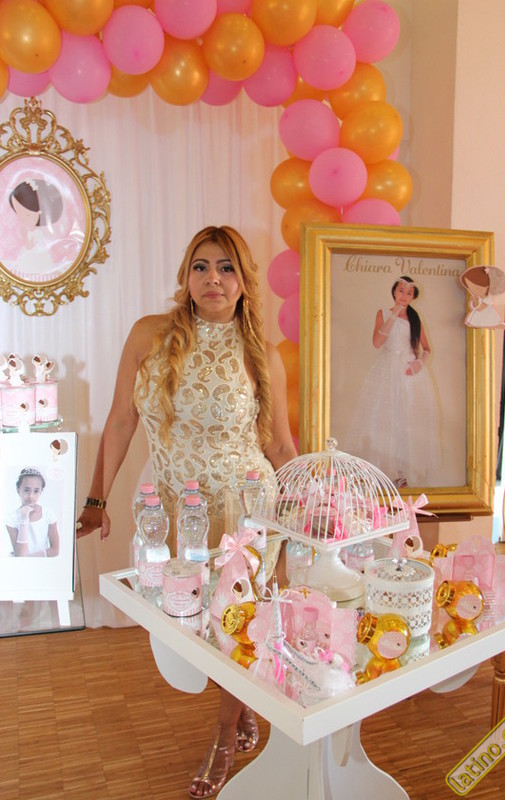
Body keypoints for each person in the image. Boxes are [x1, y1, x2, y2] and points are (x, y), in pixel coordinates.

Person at [76, 225, 297, 798]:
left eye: (226, 268)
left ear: (244, 281)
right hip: (174, 509)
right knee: (191, 621)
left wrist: (303, 504)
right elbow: (121, 419)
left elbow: (278, 444)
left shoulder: (261, 352)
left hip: (244, 511)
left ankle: (223, 737)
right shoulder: (148, 334)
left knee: (235, 622)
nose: (212, 279)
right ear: (186, 275)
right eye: (201, 266)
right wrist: (97, 499)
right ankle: (241, 703)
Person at [345, 275, 440, 488]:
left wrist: (419, 364)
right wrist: (393, 315)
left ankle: (403, 470)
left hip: (408, 373)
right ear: (394, 292)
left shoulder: (415, 319)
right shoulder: (383, 313)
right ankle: (385, 470)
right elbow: (377, 342)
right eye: (401, 291)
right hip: (387, 370)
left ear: (413, 296)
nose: (404, 296)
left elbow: (426, 349)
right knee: (384, 416)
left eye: (409, 293)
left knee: (407, 418)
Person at [6, 467, 60, 557]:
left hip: (42, 562)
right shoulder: (12, 519)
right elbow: (20, 554)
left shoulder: (48, 514)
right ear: (18, 489)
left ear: (41, 491)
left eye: (36, 491)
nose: (31, 496)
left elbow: (55, 550)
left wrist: (31, 560)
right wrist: (24, 519)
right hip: (19, 564)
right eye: (26, 490)